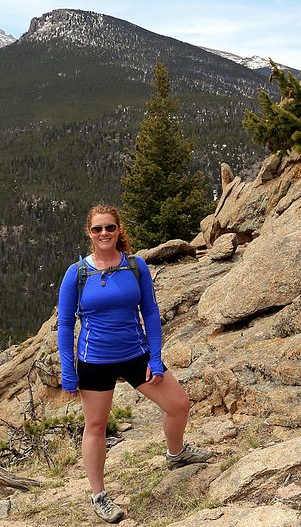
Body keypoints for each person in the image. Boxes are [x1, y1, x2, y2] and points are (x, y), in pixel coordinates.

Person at [57, 204, 211, 524]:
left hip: (135, 354)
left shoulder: (135, 266)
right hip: (94, 359)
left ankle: (176, 454)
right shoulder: (77, 272)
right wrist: (68, 371)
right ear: (90, 232)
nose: (104, 234)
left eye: (109, 228)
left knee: (178, 404)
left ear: (118, 230)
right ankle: (99, 495)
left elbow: (151, 312)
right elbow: (64, 325)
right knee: (96, 426)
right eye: (97, 229)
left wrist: (155, 358)